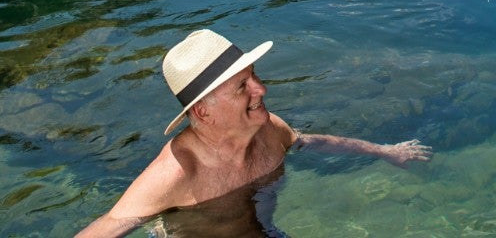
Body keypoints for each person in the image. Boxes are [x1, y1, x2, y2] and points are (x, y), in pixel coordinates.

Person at [74, 28, 430, 238]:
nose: (261, 89)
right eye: (243, 86)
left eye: (255, 76)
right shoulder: (179, 172)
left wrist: (385, 151)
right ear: (202, 111)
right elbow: (109, 226)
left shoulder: (268, 130)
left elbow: (310, 141)